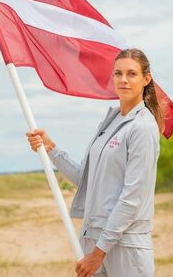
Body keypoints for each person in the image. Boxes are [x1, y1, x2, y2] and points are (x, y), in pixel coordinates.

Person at [26, 48, 164, 277]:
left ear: (146, 79)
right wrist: (51, 149)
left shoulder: (143, 127)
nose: (123, 80)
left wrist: (100, 252)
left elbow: (132, 197)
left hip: (124, 246)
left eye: (131, 74)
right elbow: (86, 179)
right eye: (118, 74)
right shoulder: (109, 121)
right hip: (93, 240)